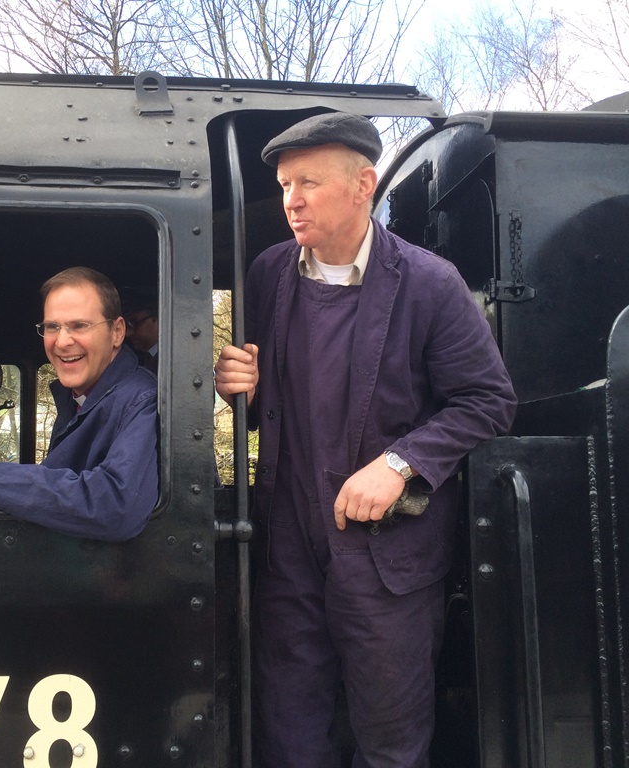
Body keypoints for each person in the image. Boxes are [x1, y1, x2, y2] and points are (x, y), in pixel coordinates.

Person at [213, 113, 517, 767]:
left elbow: (489, 401)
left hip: (388, 567)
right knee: (290, 737)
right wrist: (235, 384)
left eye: (309, 183)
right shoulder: (264, 275)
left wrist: (400, 463)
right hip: (288, 553)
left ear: (363, 184)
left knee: (390, 742)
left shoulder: (430, 283)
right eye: (285, 183)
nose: (291, 199)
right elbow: (254, 411)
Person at [0, 267, 158, 542]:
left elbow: (116, 507)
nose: (62, 341)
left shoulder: (142, 400)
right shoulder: (78, 399)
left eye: (80, 326)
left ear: (117, 332)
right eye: (52, 327)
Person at [122, 289, 159, 373]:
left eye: (134, 322)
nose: (128, 334)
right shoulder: (151, 357)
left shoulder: (172, 359)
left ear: (157, 317)